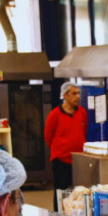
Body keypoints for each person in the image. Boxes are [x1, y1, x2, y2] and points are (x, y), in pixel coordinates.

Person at [44, 81, 88, 209]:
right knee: (61, 190)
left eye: (78, 93)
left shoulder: (82, 112)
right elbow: (48, 136)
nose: (78, 96)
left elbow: (83, 131)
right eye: (74, 93)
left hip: (79, 159)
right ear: (65, 96)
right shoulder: (55, 114)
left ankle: (75, 214)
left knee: (78, 190)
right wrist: (60, 148)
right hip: (61, 159)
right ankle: (59, 215)